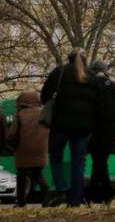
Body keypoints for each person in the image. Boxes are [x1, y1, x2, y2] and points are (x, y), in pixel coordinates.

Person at [41, 48, 98, 207]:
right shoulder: (92, 77)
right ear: (85, 60)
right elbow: (98, 102)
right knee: (78, 162)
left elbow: (44, 96)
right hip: (84, 127)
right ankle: (75, 200)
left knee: (56, 156)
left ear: (69, 58)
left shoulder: (59, 72)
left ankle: (61, 189)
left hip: (61, 124)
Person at [87, 60, 115, 204]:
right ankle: (97, 195)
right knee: (100, 162)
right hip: (110, 131)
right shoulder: (113, 87)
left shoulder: (90, 85)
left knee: (98, 162)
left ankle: (100, 194)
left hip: (94, 131)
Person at [8, 91, 50, 208]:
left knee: (21, 175)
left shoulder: (20, 114)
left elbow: (12, 133)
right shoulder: (44, 112)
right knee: (37, 174)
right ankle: (47, 198)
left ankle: (21, 202)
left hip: (23, 149)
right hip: (40, 148)